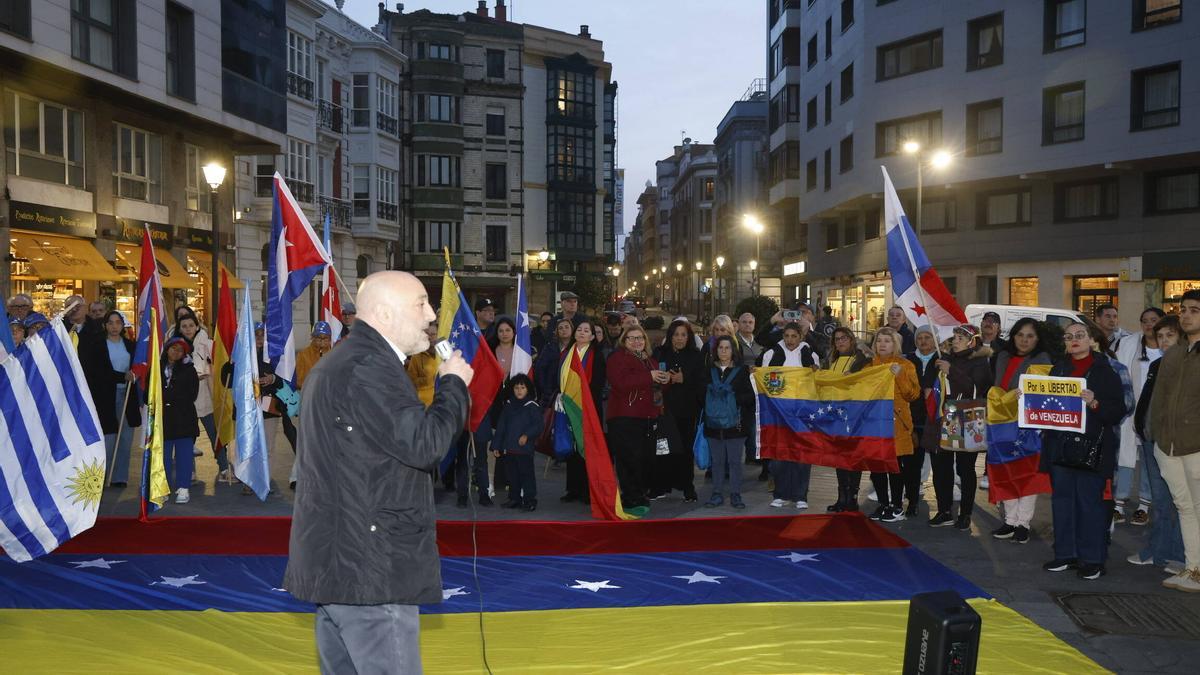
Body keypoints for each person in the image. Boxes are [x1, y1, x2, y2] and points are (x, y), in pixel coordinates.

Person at [283, 270, 473, 674]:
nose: (431, 315)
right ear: (384, 315)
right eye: (420, 303)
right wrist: (453, 385)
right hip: (371, 570)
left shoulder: (349, 361)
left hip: (344, 565)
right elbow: (426, 445)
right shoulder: (369, 368)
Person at [1041, 321, 1127, 581]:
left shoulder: (1105, 370)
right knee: (1062, 502)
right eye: (1069, 337)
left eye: (1080, 335)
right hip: (1061, 447)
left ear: (1091, 340)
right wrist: (1029, 398)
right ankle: (1066, 554)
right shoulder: (1059, 368)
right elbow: (1047, 406)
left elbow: (1117, 411)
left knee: (1090, 505)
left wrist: (1095, 402)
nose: (1074, 340)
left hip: (1094, 448)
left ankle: (1092, 559)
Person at [1150, 289, 1200, 592]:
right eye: (1183, 309)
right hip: (1167, 445)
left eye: (1194, 310)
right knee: (1185, 507)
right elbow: (1159, 398)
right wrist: (1156, 434)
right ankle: (1193, 568)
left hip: (1195, 444)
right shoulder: (1174, 353)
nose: (1186, 315)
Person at [988, 318, 1054, 543]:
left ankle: (1023, 524)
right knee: (1006, 471)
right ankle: (1010, 521)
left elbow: (1040, 395)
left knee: (1026, 474)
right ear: (1013, 336)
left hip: (1028, 425)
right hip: (1002, 421)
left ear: (1037, 339)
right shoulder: (1002, 357)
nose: (1025, 340)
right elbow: (995, 388)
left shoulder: (1043, 360)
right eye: (1020, 335)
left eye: (1030, 336)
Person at [1130, 315, 1185, 573]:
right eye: (1160, 336)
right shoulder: (1157, 364)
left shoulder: (1186, 365)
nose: (1163, 341)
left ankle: (1176, 555)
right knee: (1160, 501)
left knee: (1176, 502)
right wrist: (1141, 426)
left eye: (1169, 336)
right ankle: (1158, 550)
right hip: (1151, 440)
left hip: (1173, 443)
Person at [929, 324, 993, 530]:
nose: (955, 340)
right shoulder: (946, 358)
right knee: (941, 467)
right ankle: (944, 509)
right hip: (945, 417)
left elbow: (976, 389)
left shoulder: (981, 361)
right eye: (954, 336)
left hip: (968, 418)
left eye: (960, 337)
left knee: (965, 468)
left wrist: (952, 372)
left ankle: (965, 513)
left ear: (971, 341)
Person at [607, 325, 670, 514]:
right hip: (624, 416)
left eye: (640, 338)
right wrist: (648, 376)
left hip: (648, 416)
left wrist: (665, 381)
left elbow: (655, 389)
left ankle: (640, 494)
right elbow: (620, 383)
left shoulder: (649, 360)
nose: (637, 341)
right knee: (629, 460)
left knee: (644, 459)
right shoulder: (617, 358)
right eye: (632, 338)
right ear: (624, 341)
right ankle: (631, 498)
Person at [1114, 307, 1167, 526]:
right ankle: (1119, 502)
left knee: (1149, 458)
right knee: (1124, 456)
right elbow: (1117, 371)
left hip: (1155, 413)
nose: (1149, 325)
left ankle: (1144, 505)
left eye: (1154, 320)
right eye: (1145, 321)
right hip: (1129, 411)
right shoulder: (1129, 344)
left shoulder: (1169, 347)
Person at [866, 328, 921, 523]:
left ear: (895, 344)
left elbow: (912, 395)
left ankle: (897, 505)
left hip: (898, 423)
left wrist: (900, 376)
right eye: (879, 340)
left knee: (895, 466)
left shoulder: (905, 365)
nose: (882, 344)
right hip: (875, 424)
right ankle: (883, 504)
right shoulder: (870, 366)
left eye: (887, 341)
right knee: (877, 467)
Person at [80, 310, 140, 487]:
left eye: (118, 323)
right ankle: (103, 475)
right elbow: (99, 372)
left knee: (126, 436)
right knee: (109, 437)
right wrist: (123, 377)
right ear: (105, 326)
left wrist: (133, 376)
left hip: (127, 395)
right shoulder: (97, 345)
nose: (114, 326)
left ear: (123, 325)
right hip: (105, 396)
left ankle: (120, 476)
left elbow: (138, 367)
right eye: (111, 323)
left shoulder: (131, 345)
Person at [762, 322, 818, 510]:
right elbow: (765, 379)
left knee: (802, 456)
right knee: (779, 456)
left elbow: (817, 381)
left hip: (803, 413)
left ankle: (800, 495)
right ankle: (781, 493)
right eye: (787, 336)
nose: (790, 340)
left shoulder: (810, 354)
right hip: (778, 413)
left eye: (794, 336)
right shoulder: (771, 354)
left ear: (801, 337)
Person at [650, 319, 702, 503]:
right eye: (676, 335)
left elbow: (701, 382)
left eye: (683, 335)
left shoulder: (696, 355)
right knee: (662, 448)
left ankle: (687, 486)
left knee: (685, 449)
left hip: (686, 410)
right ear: (670, 336)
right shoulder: (660, 353)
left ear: (689, 337)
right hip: (664, 410)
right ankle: (659, 486)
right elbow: (651, 377)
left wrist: (684, 378)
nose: (679, 339)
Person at [702, 335, 755, 509]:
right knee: (716, 462)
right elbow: (698, 395)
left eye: (727, 348)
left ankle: (735, 494)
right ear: (715, 350)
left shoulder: (742, 371)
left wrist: (732, 396)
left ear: (734, 351)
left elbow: (750, 398)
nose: (724, 351)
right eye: (720, 348)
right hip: (713, 425)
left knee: (734, 462)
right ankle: (716, 493)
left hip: (736, 425)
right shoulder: (708, 371)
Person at [824, 326, 873, 512]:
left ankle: (852, 497)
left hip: (855, 414)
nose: (841, 341)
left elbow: (868, 377)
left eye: (844, 338)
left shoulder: (860, 358)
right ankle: (841, 497)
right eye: (837, 339)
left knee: (854, 456)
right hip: (835, 413)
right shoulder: (830, 360)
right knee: (839, 457)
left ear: (851, 339)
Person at [560, 318, 606, 504]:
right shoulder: (566, 354)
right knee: (573, 449)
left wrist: (585, 400)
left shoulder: (597, 355)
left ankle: (589, 491)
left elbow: (598, 382)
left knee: (587, 450)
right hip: (569, 407)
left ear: (593, 336)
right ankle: (573, 489)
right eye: (579, 329)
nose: (581, 333)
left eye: (587, 331)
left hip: (589, 407)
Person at [494, 373, 543, 511]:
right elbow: (501, 427)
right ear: (512, 389)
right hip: (509, 449)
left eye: (522, 387)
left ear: (528, 390)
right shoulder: (508, 406)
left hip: (524, 449)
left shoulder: (532, 406)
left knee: (527, 476)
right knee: (512, 477)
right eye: (516, 388)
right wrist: (497, 445)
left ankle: (530, 500)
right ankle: (514, 498)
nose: (519, 390)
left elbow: (538, 425)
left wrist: (527, 435)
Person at [176, 312, 218, 472]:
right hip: (185, 400)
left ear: (197, 326)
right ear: (179, 329)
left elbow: (214, 366)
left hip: (205, 396)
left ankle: (223, 467)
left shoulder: (207, 344)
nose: (188, 329)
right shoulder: (175, 347)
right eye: (184, 326)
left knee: (214, 434)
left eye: (191, 325)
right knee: (187, 438)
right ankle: (188, 470)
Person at [161, 336, 200, 504]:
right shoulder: (157, 367)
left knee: (184, 455)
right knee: (163, 456)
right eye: (173, 348)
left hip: (184, 418)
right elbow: (150, 389)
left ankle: (183, 488)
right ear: (167, 349)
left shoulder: (189, 369)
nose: (176, 352)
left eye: (180, 349)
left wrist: (170, 396)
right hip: (163, 419)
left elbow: (192, 394)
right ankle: (163, 487)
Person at [406, 325, 440, 407]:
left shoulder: (445, 354)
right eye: (427, 334)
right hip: (425, 405)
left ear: (439, 335)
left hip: (444, 402)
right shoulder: (416, 356)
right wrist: (430, 379)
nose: (429, 337)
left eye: (433, 334)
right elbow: (410, 382)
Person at [296, 322, 333, 390]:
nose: (322, 340)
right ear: (312, 338)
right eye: (319, 337)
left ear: (330, 339)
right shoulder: (303, 355)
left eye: (325, 338)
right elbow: (299, 381)